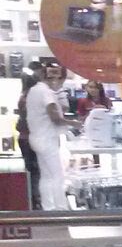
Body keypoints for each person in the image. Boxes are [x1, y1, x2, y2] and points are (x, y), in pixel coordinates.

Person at [24, 62, 79, 210]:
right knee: (57, 175)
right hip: (47, 138)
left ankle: (48, 207)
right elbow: (55, 117)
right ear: (55, 79)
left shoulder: (33, 90)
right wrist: (73, 123)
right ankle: (61, 208)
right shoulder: (46, 93)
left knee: (46, 176)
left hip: (36, 137)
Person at [16, 63, 42, 209]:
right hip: (32, 138)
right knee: (35, 171)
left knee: (32, 170)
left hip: (26, 138)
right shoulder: (30, 97)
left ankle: (34, 200)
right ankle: (35, 201)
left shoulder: (24, 96)